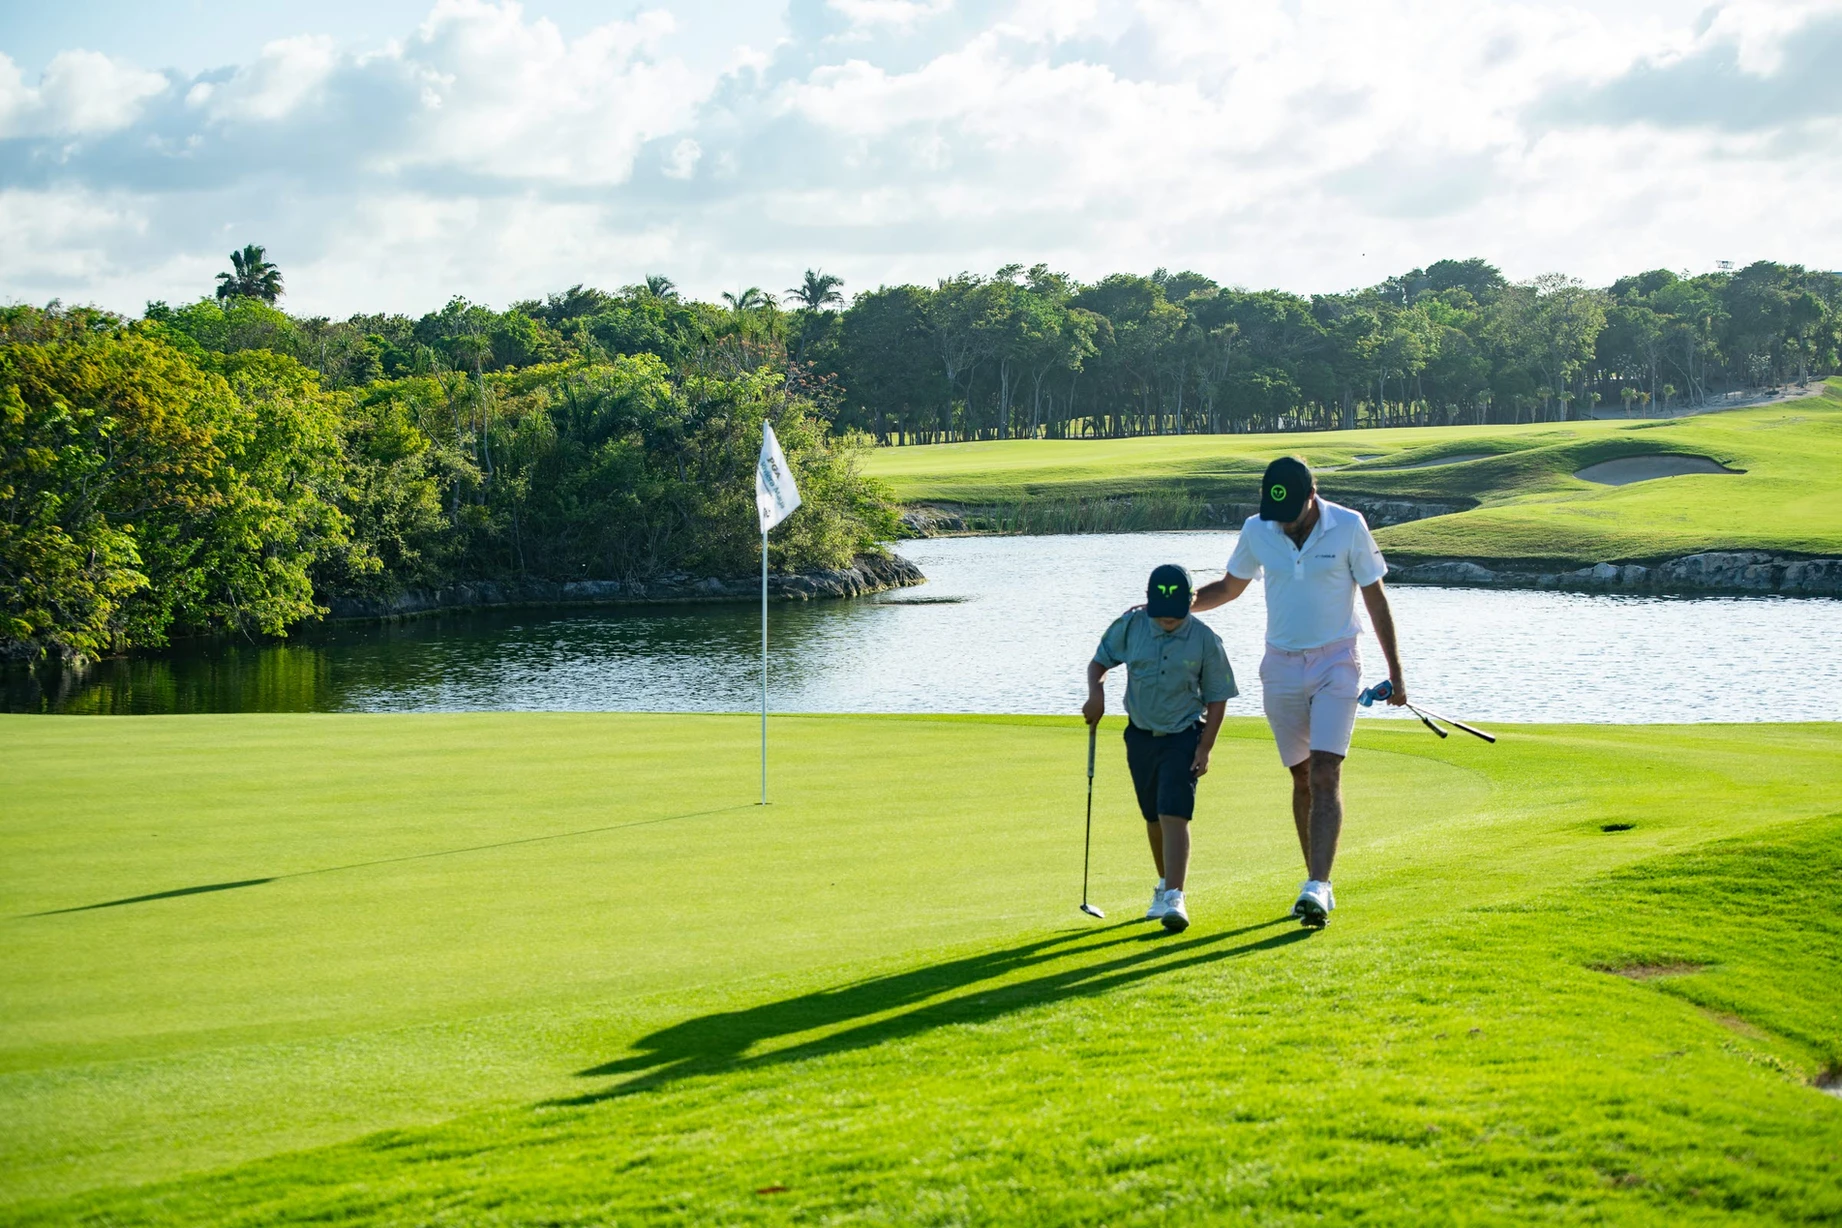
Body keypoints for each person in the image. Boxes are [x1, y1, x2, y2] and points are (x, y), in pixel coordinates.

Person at [1190, 456, 1407, 929]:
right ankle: (1316, 883)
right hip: (1281, 666)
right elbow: (1229, 588)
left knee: (1328, 772)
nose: (1282, 523)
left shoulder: (1349, 526)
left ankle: (1317, 885)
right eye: (1274, 512)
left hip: (1337, 661)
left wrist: (1396, 672)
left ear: (1312, 496)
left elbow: (1375, 597)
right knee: (1303, 777)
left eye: (1290, 511)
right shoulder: (1258, 528)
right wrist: (1178, 604)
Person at [1083, 564, 1237, 933]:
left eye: (1176, 613)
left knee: (1173, 812)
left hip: (1183, 734)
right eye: (1162, 612)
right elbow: (1100, 662)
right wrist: (1096, 693)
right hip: (1139, 736)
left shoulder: (1204, 639)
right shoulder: (1133, 626)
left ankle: (1175, 897)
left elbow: (1217, 698)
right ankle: (1165, 885)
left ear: (1190, 602)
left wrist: (1206, 747)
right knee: (1153, 816)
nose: (1168, 619)